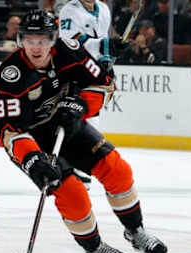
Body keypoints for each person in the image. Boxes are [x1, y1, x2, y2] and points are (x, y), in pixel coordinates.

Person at [0, 10, 168, 253]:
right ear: (20, 41)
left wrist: (80, 105)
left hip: (66, 125)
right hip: (30, 139)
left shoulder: (69, 51)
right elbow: (10, 130)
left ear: (53, 39)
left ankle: (136, 231)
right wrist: (32, 161)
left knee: (116, 169)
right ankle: (94, 248)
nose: (36, 47)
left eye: (42, 40)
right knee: (71, 192)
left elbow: (103, 83)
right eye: (29, 40)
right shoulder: (12, 74)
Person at [58, 0, 127, 188]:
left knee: (92, 114)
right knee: (73, 113)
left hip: (94, 70)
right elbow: (71, 42)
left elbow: (102, 39)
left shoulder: (103, 9)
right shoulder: (69, 10)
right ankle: (67, 162)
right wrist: (105, 45)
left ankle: (82, 164)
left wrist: (108, 55)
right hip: (74, 67)